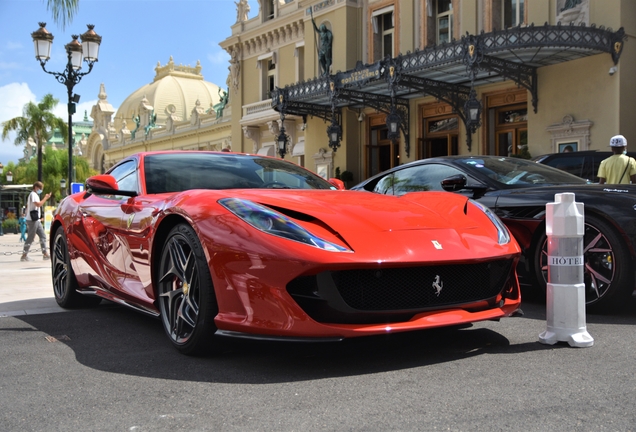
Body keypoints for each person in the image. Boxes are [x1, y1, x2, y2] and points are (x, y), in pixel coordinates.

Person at [21, 181, 51, 261]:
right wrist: (45, 198)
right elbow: (38, 204)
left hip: (36, 219)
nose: (40, 190)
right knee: (30, 237)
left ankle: (45, 254)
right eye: (40, 188)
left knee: (43, 236)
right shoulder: (33, 194)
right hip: (32, 220)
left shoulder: (35, 195)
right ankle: (24, 255)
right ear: (36, 187)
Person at [310, 9, 333, 76]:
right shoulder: (321, 33)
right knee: (320, 59)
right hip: (322, 48)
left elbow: (330, 38)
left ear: (324, 28)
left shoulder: (328, 33)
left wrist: (328, 46)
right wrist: (313, 23)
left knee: (327, 59)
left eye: (322, 28)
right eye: (321, 28)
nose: (321, 29)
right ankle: (325, 71)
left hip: (326, 48)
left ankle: (327, 71)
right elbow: (316, 30)